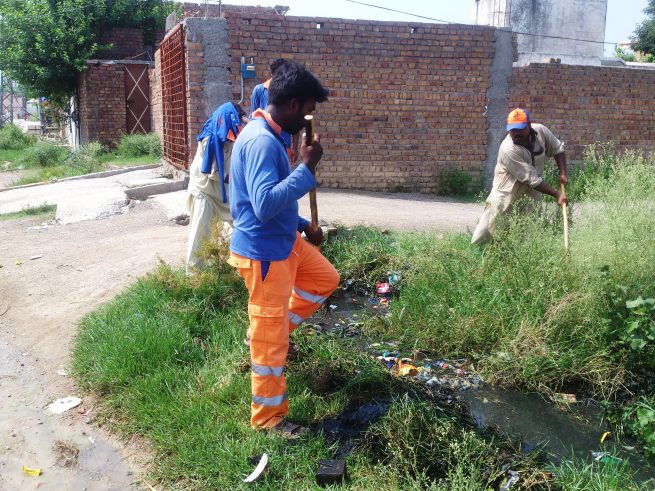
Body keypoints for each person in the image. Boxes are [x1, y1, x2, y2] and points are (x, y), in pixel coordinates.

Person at [228, 62, 340, 434]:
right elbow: (262, 204)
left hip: (283, 240)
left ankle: (273, 330)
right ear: (292, 105)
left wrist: (302, 225)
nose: (311, 117)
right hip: (264, 255)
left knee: (324, 278)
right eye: (309, 108)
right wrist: (306, 168)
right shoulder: (261, 141)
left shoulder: (271, 133)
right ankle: (269, 419)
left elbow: (268, 202)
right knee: (269, 345)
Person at [471, 108, 568, 244]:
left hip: (531, 192)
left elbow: (558, 149)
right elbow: (532, 180)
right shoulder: (508, 149)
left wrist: (563, 172)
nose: (515, 133)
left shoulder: (541, 131)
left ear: (528, 125)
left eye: (520, 129)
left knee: (525, 231)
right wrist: (557, 194)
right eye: (512, 129)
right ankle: (481, 256)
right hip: (506, 192)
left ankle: (517, 258)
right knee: (490, 231)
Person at [186, 101, 248, 274]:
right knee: (200, 233)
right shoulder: (210, 139)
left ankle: (241, 265)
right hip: (204, 191)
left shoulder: (231, 135)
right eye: (237, 121)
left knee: (243, 223)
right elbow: (215, 172)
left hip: (222, 192)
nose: (240, 125)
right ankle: (193, 275)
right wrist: (243, 179)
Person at [250, 58, 300, 163]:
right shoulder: (259, 91)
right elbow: (253, 121)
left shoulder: (290, 93)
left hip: (284, 146)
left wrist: (295, 148)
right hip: (263, 145)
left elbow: (295, 122)